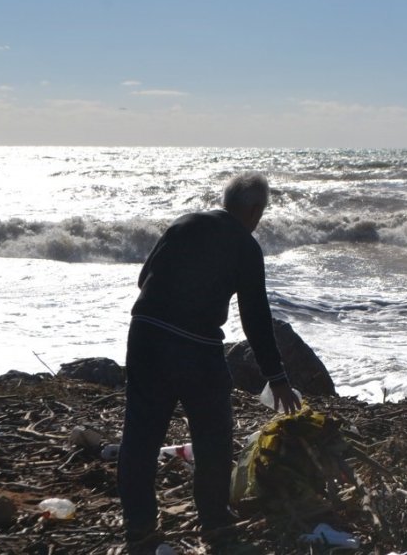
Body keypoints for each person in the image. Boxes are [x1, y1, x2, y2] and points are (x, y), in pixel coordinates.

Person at [117, 172, 301, 552]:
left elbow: (142, 280)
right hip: (196, 346)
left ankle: (139, 528)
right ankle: (214, 522)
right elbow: (255, 316)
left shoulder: (185, 224)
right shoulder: (245, 247)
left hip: (146, 334)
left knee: (140, 435)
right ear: (253, 210)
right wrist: (276, 376)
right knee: (213, 435)